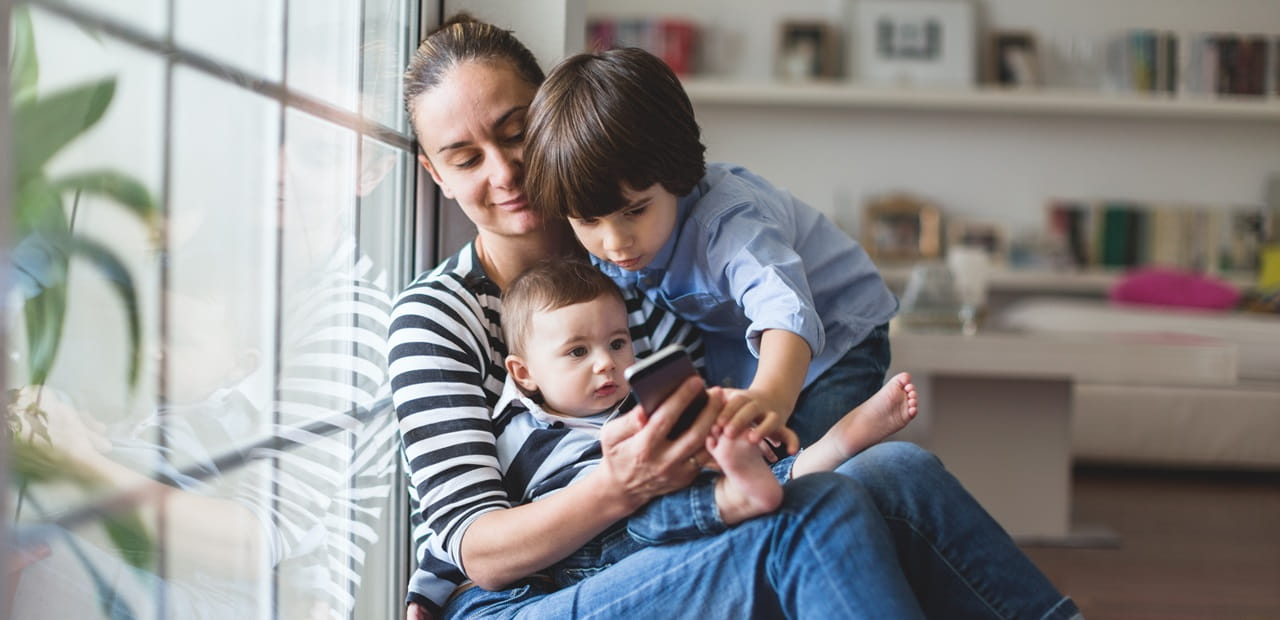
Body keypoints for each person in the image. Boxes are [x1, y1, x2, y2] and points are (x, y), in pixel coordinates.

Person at [393, 12, 1079, 620]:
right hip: (528, 592)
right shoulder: (438, 315)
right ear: (436, 174)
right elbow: (476, 550)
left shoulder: (627, 265)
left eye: (516, 135)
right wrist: (626, 484)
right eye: (465, 157)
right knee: (822, 510)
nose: (506, 172)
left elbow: (717, 411)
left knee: (898, 469)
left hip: (662, 531)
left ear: (550, 125)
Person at [524, 47, 899, 448]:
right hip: (739, 341)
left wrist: (771, 395)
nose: (615, 242)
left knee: (796, 457)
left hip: (840, 327)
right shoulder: (609, 247)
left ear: (675, 174)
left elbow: (784, 310)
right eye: (589, 221)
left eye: (635, 210)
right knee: (738, 447)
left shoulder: (726, 223)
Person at [496, 258, 919, 568]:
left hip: (681, 493)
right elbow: (484, 524)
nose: (606, 363)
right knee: (648, 515)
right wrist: (431, 590)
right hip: (592, 547)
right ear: (524, 372)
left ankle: (833, 445)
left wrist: (722, 434)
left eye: (618, 343)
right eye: (577, 352)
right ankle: (759, 487)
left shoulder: (643, 401)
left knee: (717, 465)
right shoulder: (517, 432)